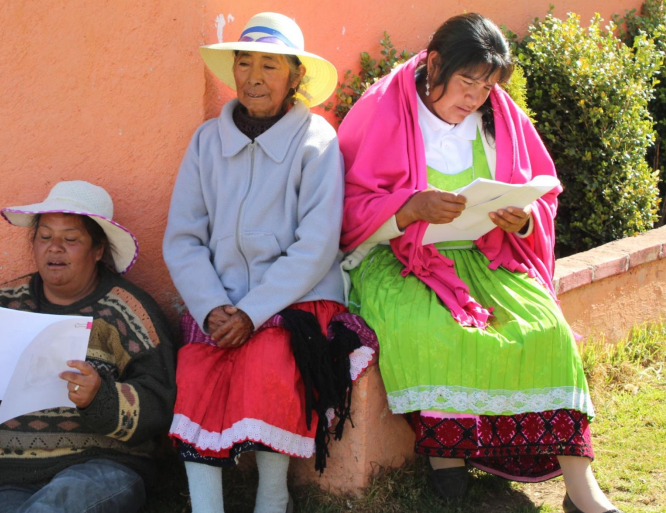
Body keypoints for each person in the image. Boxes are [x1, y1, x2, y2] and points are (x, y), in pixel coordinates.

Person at [339, 13, 621, 513]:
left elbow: (542, 192)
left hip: (486, 253)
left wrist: (523, 221)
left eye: (487, 86)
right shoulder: (381, 109)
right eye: (467, 81)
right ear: (434, 64)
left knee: (546, 327)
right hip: (397, 256)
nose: (475, 97)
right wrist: (408, 211)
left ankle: (582, 489)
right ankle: (446, 452)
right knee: (426, 325)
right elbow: (346, 208)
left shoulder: (500, 115)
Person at [164, 12, 378, 513]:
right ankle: (206, 506)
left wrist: (252, 312)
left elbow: (316, 245)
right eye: (244, 63)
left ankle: (273, 496)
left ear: (295, 77)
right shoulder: (206, 142)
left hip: (293, 300)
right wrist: (212, 307)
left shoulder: (316, 141)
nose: (254, 77)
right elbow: (184, 238)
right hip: (219, 302)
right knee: (196, 369)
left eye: (270, 65)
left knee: (270, 363)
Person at [0, 180, 176, 513]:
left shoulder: (127, 311)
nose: (54, 248)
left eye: (70, 239)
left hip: (102, 468)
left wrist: (99, 397)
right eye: (45, 237)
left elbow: (159, 402)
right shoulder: (0, 305)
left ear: (98, 250)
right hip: (13, 474)